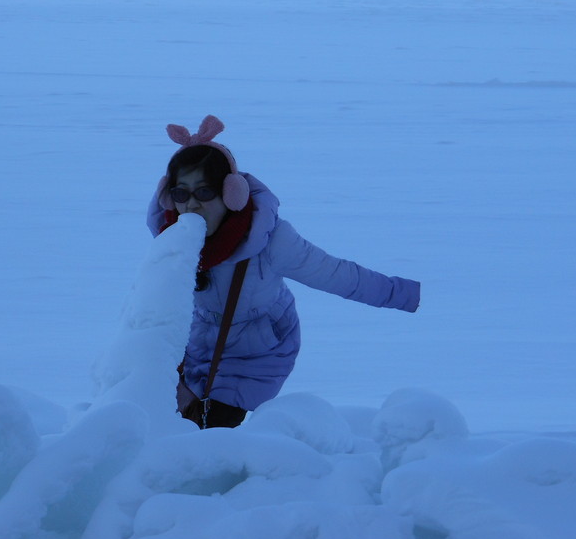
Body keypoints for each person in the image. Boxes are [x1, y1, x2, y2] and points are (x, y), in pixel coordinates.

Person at [148, 115, 420, 429]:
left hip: (257, 354)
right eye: (181, 194)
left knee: (211, 432)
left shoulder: (271, 240)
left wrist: (409, 295)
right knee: (157, 421)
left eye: (205, 192)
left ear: (231, 193)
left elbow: (339, 275)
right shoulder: (173, 238)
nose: (192, 206)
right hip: (200, 349)